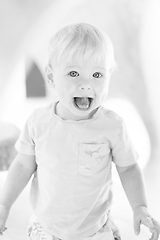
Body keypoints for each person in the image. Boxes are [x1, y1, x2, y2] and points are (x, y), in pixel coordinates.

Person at [0, 23, 159, 240]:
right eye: (74, 73)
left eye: (97, 74)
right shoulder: (38, 122)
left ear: (109, 76)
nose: (86, 84)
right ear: (51, 76)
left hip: (95, 230)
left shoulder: (112, 126)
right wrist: (4, 204)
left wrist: (140, 206)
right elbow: (21, 165)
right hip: (46, 229)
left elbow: (129, 168)